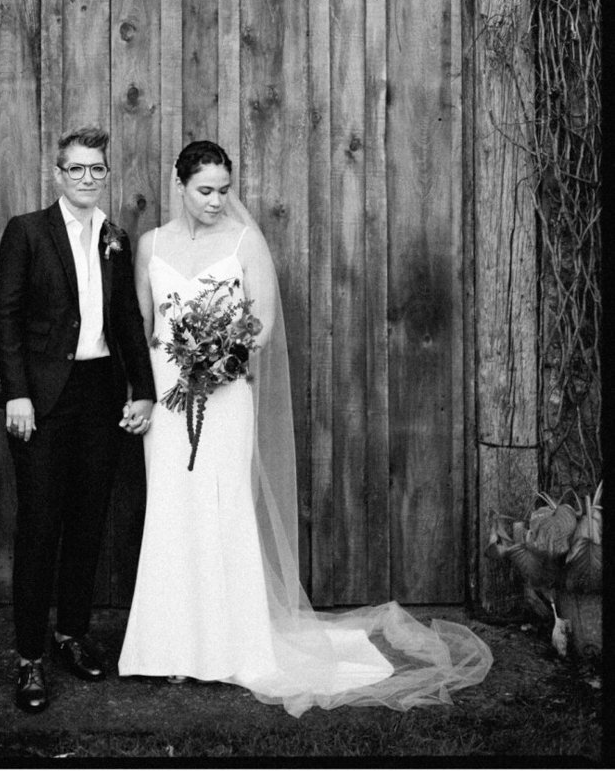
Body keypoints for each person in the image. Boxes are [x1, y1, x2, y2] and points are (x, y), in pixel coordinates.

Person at [118, 140, 492, 714]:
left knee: (222, 506)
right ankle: (168, 647)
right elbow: (141, 325)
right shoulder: (150, 245)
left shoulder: (246, 242)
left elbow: (262, 324)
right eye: (204, 191)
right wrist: (142, 391)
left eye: (224, 190)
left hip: (224, 392)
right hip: (170, 398)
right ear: (179, 184)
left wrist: (221, 353)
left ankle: (226, 648)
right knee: (171, 508)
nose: (217, 201)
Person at [0, 126, 155, 714]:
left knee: (89, 521)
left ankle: (72, 635)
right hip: (41, 399)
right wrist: (17, 395)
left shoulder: (117, 236)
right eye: (77, 169)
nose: (87, 178)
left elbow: (129, 324)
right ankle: (29, 658)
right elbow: (6, 317)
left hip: (101, 394)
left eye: (97, 169)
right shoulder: (27, 232)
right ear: (58, 174)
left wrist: (144, 391)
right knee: (40, 526)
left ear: (106, 175)